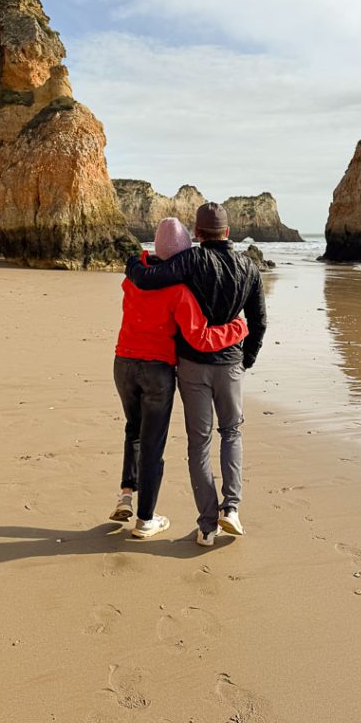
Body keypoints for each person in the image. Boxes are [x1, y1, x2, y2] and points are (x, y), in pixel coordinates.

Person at [125, 202, 266, 546]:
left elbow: (148, 277)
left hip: (191, 365)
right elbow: (259, 321)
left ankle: (207, 525)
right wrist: (246, 360)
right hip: (230, 364)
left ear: (198, 235)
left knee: (198, 444)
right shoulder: (249, 267)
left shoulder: (190, 260)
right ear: (228, 232)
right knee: (231, 432)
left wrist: (132, 262)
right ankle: (231, 509)